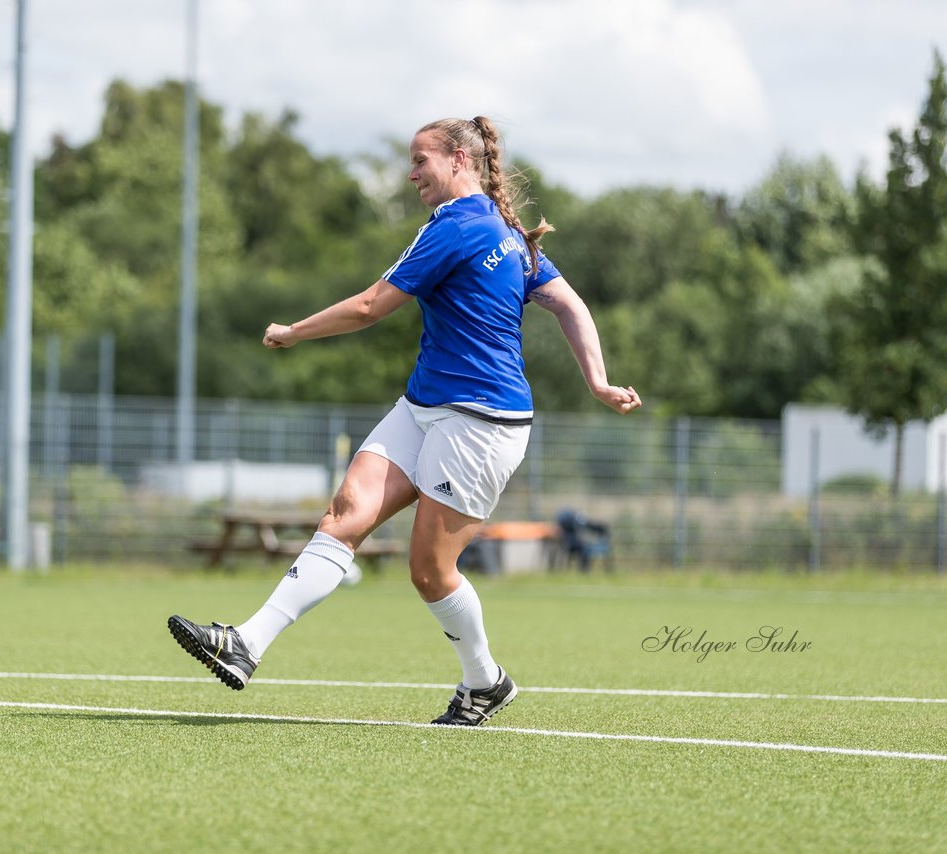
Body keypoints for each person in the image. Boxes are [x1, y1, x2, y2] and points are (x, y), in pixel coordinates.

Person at [169, 116, 641, 726]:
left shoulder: (459, 226)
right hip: (423, 407)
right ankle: (246, 645)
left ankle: (485, 681)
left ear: (459, 160)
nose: (412, 173)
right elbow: (570, 303)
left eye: (421, 160)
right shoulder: (505, 228)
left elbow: (370, 307)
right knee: (345, 514)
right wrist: (596, 381)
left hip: (481, 422)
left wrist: (293, 331)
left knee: (428, 571)